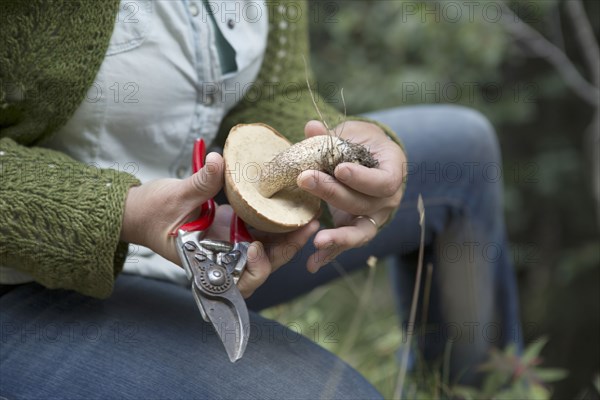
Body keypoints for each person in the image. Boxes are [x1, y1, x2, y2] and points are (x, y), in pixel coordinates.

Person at [0, 0, 521, 398]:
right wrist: (121, 213)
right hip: (28, 273)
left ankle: (476, 389)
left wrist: (333, 170)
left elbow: (274, 92)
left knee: (463, 151)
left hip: (198, 228)